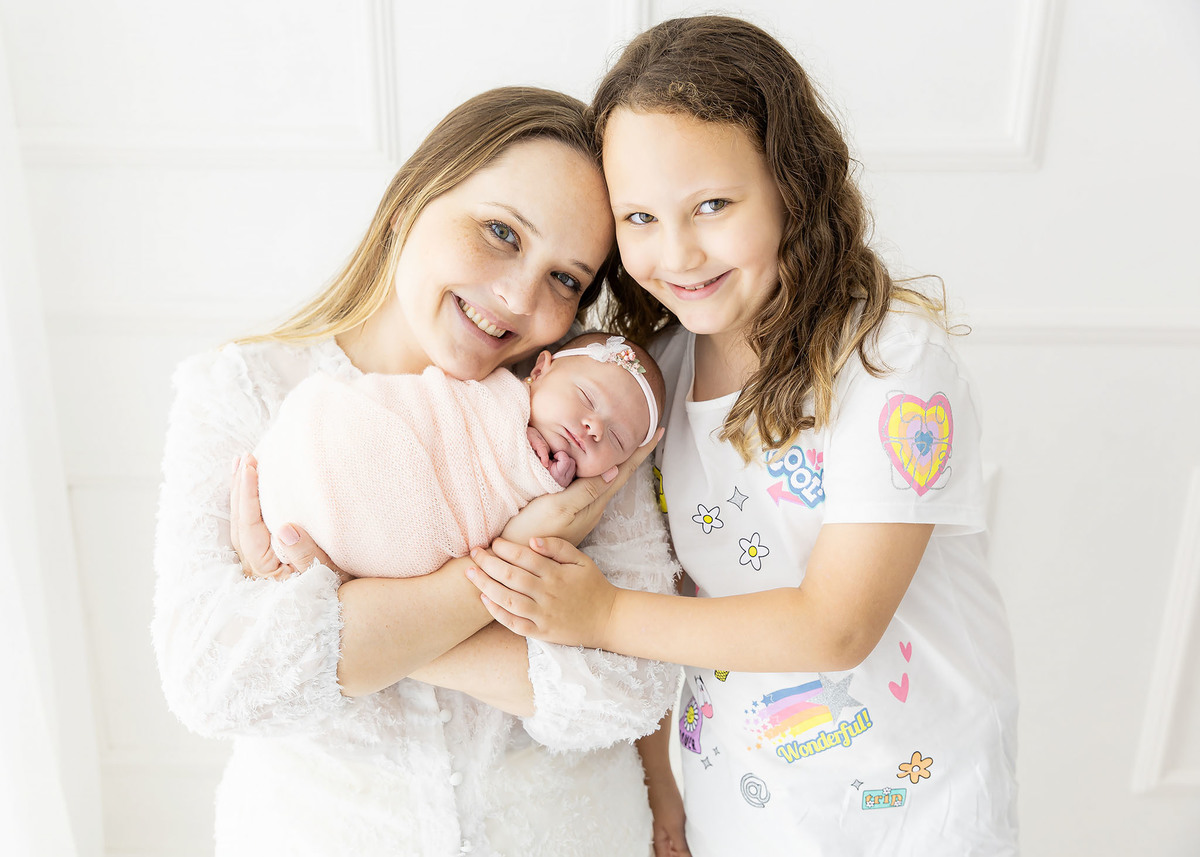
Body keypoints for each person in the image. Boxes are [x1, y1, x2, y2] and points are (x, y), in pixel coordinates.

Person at [464, 17, 1019, 857]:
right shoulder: (648, 385)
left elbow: (835, 627)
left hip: (919, 816)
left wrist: (601, 613)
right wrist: (662, 793)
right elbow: (657, 582)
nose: (678, 252)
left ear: (793, 183)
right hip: (746, 813)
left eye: (713, 206)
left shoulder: (892, 367)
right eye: (640, 217)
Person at [152, 86, 680, 857]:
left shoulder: (585, 416)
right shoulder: (245, 391)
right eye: (501, 231)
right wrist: (510, 561)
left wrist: (344, 606)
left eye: (566, 279)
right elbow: (214, 679)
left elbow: (633, 688)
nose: (519, 296)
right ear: (410, 202)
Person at [253, 332, 665, 579]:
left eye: (615, 438)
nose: (593, 427)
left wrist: (539, 479)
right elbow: (440, 412)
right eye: (586, 397)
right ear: (539, 370)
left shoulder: (571, 507)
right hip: (350, 437)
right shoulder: (489, 394)